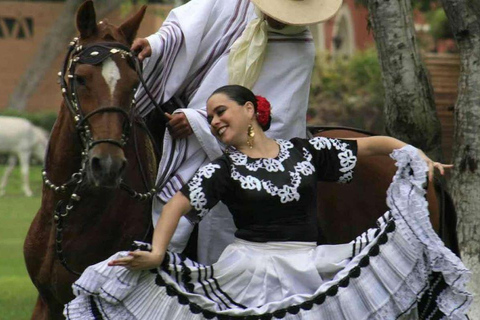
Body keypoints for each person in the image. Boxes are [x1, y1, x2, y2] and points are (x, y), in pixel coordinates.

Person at [65, 85, 471, 320]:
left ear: (249, 110)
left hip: (310, 265)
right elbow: (177, 204)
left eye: (220, 111)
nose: (215, 120)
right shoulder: (224, 169)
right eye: (210, 116)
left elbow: (374, 145)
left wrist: (415, 153)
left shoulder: (305, 152)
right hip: (250, 272)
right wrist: (156, 252)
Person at [131, 0, 343, 264]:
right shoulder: (230, 5)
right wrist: (156, 43)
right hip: (188, 109)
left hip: (233, 147)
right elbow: (185, 29)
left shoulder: (300, 49)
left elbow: (279, 120)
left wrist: (200, 123)